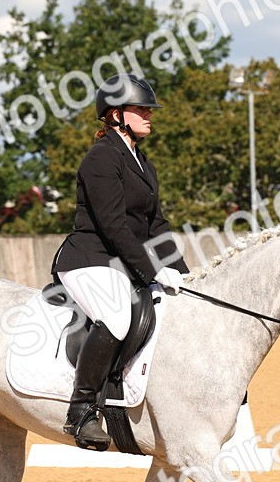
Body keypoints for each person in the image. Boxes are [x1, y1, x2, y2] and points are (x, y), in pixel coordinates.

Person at [50, 73, 189, 450]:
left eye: (148, 109)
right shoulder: (101, 158)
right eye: (141, 108)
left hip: (122, 261)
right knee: (115, 316)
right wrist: (153, 270)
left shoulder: (143, 162)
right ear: (115, 114)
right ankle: (81, 411)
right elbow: (113, 225)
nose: (149, 114)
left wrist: (183, 273)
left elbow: (156, 225)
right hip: (89, 258)